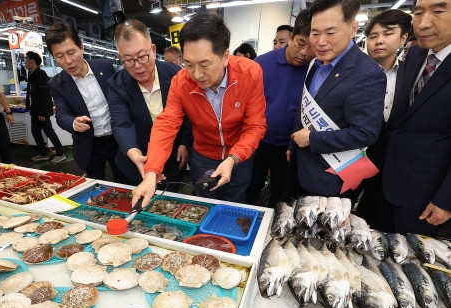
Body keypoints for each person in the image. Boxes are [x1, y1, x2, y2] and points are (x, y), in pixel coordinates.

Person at [132, 13, 267, 206]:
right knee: (203, 205)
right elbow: (166, 125)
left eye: (205, 64)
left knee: (234, 202)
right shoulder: (181, 82)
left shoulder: (250, 73)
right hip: (203, 155)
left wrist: (233, 158)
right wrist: (151, 172)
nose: (196, 74)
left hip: (240, 155)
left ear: (225, 57)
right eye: (188, 64)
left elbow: (255, 126)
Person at [288, 0, 386, 199]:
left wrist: (312, 139)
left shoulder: (368, 73)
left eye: (330, 33)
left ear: (352, 29)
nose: (320, 41)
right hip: (300, 168)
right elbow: (304, 109)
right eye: (314, 33)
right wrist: (293, 147)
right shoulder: (316, 63)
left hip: (331, 178)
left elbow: (364, 133)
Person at [382, 0, 451, 236]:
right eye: (418, 12)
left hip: (428, 198)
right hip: (388, 183)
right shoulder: (415, 55)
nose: (423, 23)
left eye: (438, 11)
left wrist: (446, 200)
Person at [107, 19, 193, 190]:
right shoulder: (116, 84)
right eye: (128, 60)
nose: (138, 66)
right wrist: (136, 155)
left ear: (153, 50)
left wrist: (185, 142)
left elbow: (188, 113)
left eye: (142, 56)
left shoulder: (177, 75)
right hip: (137, 161)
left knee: (170, 201)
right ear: (120, 58)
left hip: (172, 156)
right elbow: (121, 123)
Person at [246, 9, 315, 207]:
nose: (304, 53)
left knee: (282, 196)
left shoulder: (315, 70)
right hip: (258, 143)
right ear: (291, 37)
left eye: (311, 48)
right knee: (250, 189)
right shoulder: (261, 64)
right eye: (300, 44)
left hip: (290, 147)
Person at [46, 22, 124, 181]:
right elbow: (61, 114)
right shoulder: (57, 83)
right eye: (59, 56)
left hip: (118, 140)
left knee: (126, 181)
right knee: (96, 185)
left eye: (71, 52)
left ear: (81, 48)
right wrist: (74, 123)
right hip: (91, 144)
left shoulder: (105, 66)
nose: (67, 61)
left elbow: (122, 98)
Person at [358, 9, 411, 229]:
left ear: (403, 38)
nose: (379, 40)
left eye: (387, 33)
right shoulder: (355, 74)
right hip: (354, 160)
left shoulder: (412, 74)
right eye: (372, 36)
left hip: (394, 164)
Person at [24, 51, 66, 163]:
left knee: (49, 131)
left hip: (42, 111)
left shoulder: (40, 75)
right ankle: (43, 153)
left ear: (32, 61)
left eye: (26, 59)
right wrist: (31, 108)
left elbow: (45, 95)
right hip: (35, 110)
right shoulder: (32, 74)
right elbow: (32, 94)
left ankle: (60, 153)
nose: (24, 62)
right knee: (36, 132)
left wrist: (43, 112)